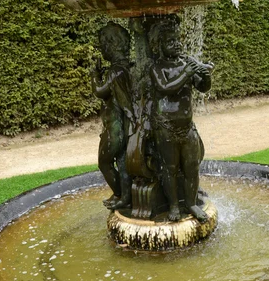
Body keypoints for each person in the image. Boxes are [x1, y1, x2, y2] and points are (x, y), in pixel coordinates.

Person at [149, 16, 213, 222]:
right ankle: (174, 206)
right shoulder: (157, 68)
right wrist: (187, 72)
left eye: (177, 40)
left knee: (192, 165)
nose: (176, 44)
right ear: (160, 46)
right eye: (170, 41)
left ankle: (192, 203)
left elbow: (201, 87)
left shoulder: (187, 63)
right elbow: (166, 88)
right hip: (166, 127)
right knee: (169, 168)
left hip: (187, 126)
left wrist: (206, 75)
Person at [91, 22, 134, 210]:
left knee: (104, 162)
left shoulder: (115, 71)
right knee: (123, 162)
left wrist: (94, 75)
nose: (102, 50)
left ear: (111, 45)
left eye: (103, 45)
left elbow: (100, 91)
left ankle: (120, 194)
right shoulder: (127, 67)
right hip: (123, 125)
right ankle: (126, 197)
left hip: (115, 127)